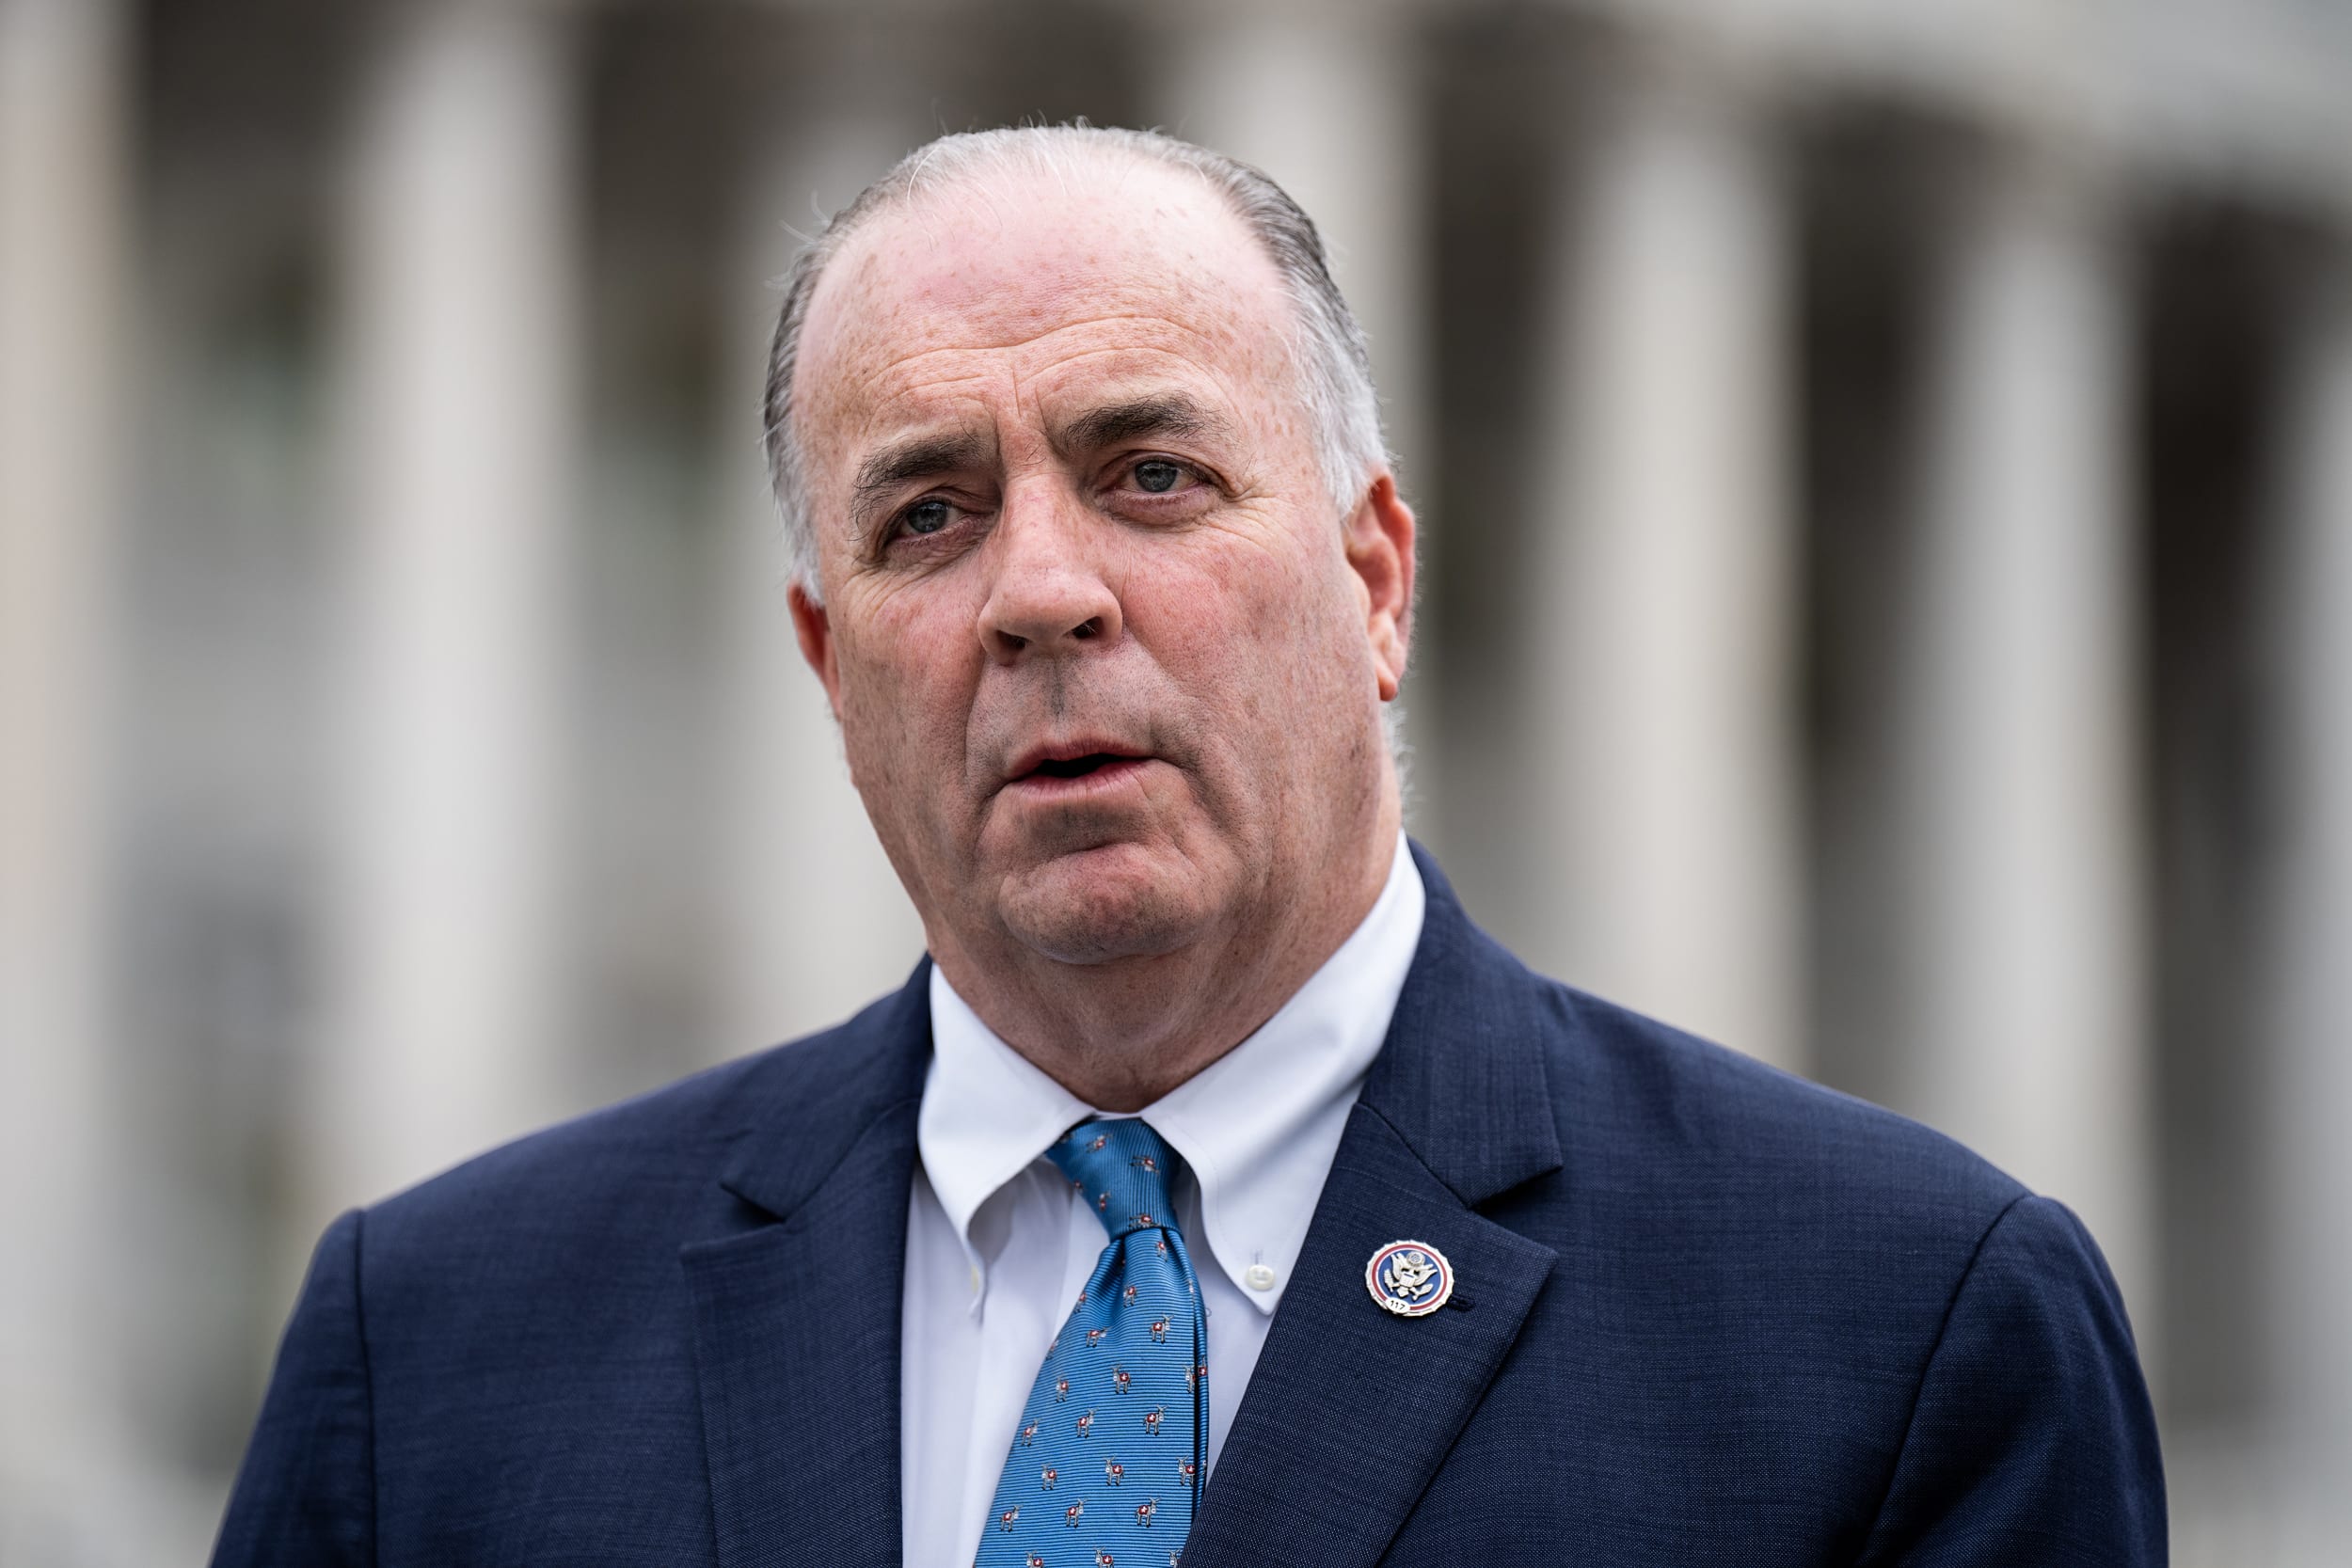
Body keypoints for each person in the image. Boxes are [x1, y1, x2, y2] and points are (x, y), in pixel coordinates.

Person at [213, 125, 2164, 1567]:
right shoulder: (437, 1358)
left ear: (1373, 580)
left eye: (1151, 475)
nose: (1038, 594)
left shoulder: (1903, 1336)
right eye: (923, 517)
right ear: (826, 663)